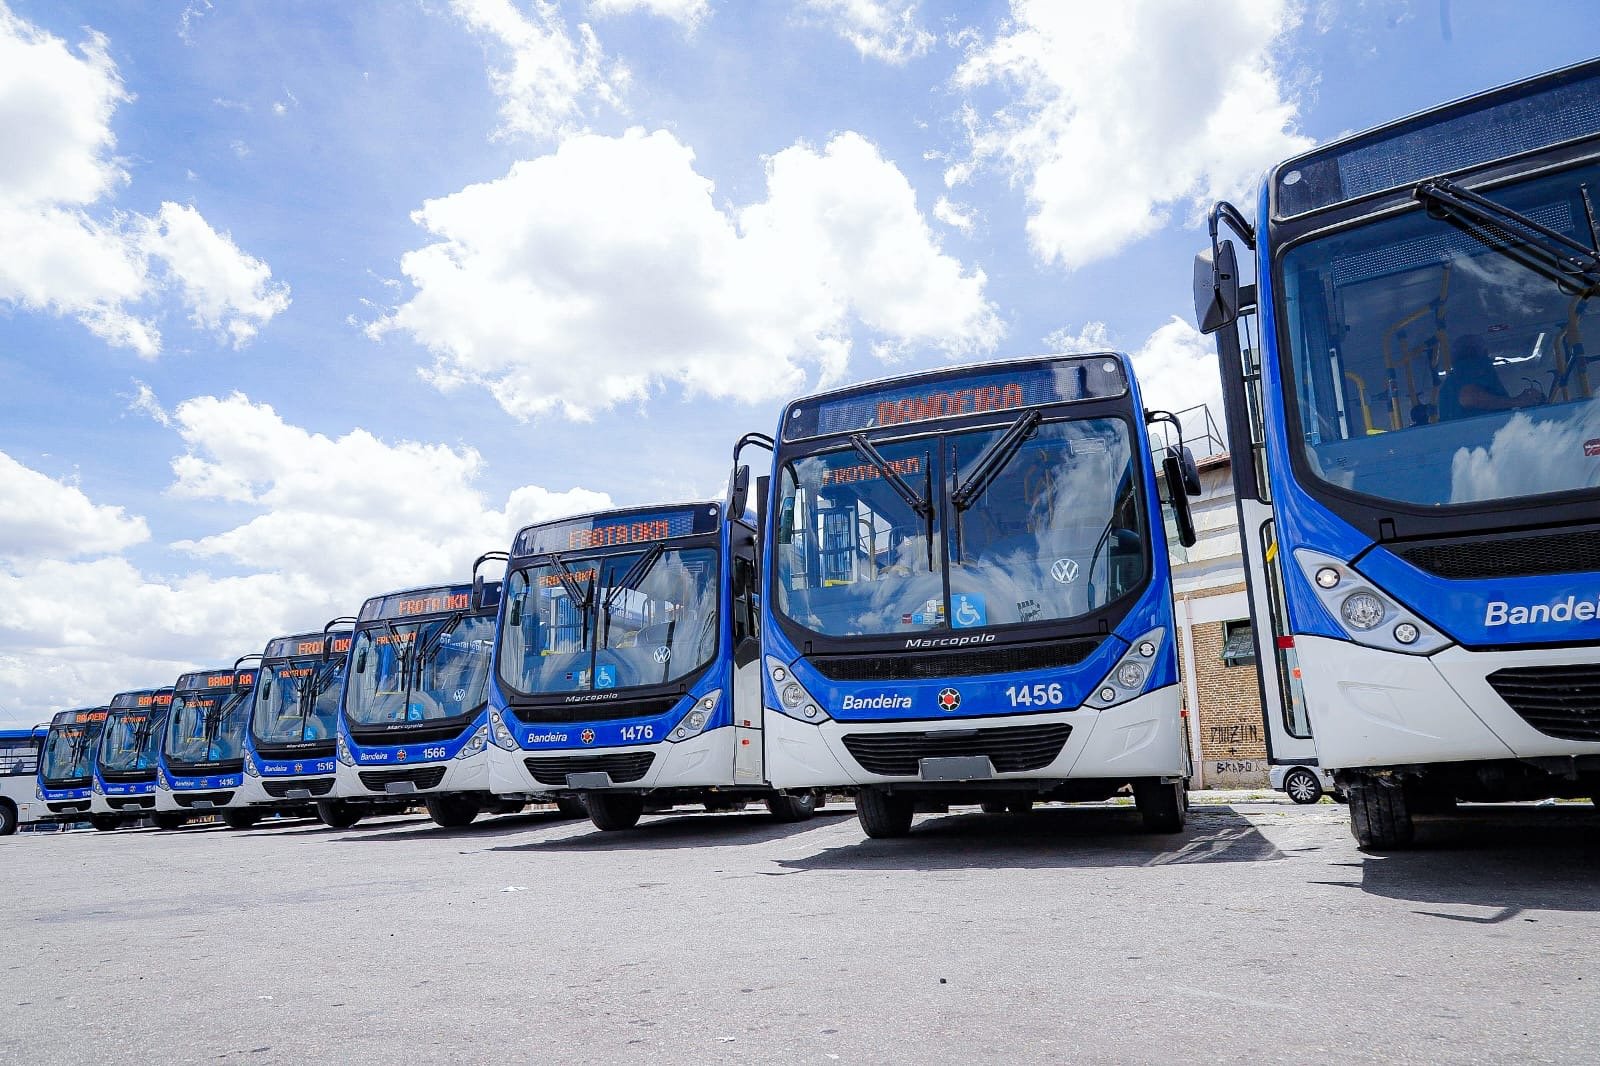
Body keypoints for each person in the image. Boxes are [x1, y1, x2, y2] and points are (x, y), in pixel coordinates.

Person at [1438, 335, 1542, 420]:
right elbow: (1468, 397)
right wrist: (1517, 401)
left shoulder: (1450, 382)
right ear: (1483, 351)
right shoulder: (1472, 367)